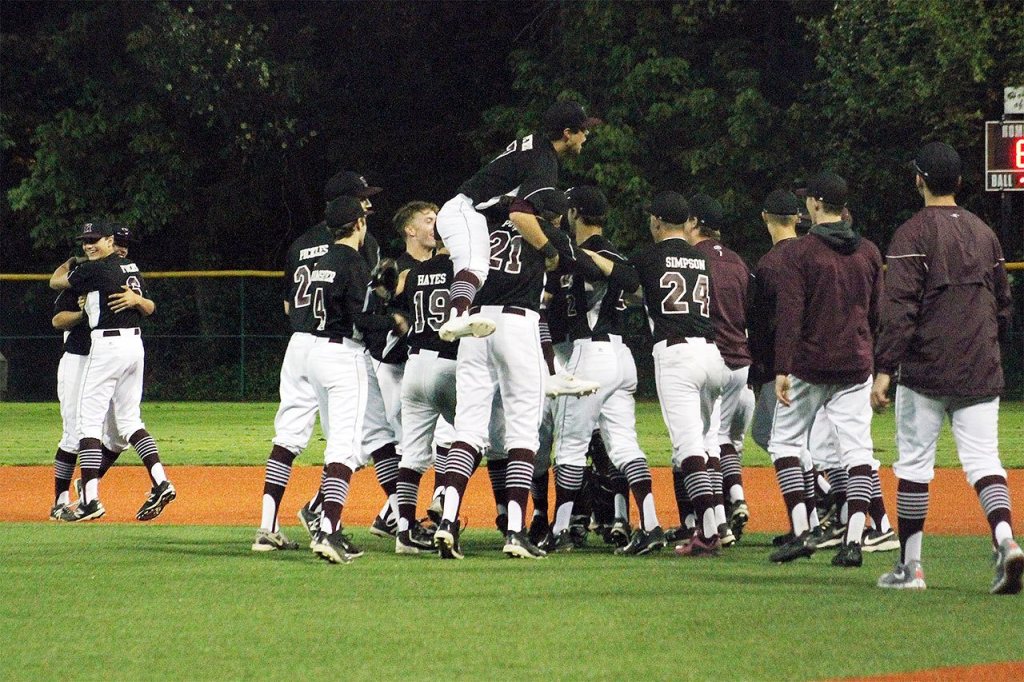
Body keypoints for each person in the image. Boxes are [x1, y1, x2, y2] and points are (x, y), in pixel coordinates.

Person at [872, 142, 1021, 594]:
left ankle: (911, 568)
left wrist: (885, 369)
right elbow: (1003, 304)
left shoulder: (912, 233)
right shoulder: (984, 233)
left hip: (927, 368)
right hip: (979, 366)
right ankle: (1006, 540)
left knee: (915, 465)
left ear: (919, 180)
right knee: (984, 460)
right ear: (958, 182)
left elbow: (899, 308)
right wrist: (984, 347)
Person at [433, 187, 571, 559]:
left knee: (467, 431)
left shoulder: (482, 232)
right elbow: (570, 265)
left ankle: (448, 520)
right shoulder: (546, 234)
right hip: (519, 325)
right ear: (554, 216)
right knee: (522, 432)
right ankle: (515, 531)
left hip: (476, 326)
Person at [254, 170, 387, 552]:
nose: (368, 203)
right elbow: (366, 304)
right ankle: (329, 525)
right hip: (340, 346)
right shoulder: (359, 246)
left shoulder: (300, 244)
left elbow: (287, 305)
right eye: (362, 197)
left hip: (300, 343)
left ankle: (267, 526)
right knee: (350, 441)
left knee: (287, 436)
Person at [767, 171, 883, 567]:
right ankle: (854, 541)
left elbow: (791, 315)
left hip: (810, 365)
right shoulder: (869, 251)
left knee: (784, 444)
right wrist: (874, 359)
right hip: (855, 364)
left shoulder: (799, 252)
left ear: (816, 203)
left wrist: (781, 367)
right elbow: (876, 315)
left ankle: (802, 532)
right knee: (858, 452)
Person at [553, 185, 666, 555]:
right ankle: (650, 525)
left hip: (590, 353)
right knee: (625, 445)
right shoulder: (612, 252)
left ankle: (560, 530)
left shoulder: (588, 253)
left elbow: (628, 282)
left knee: (570, 446)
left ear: (573, 213)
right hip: (621, 357)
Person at [435, 100, 599, 342]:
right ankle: (457, 316)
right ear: (567, 133)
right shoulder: (545, 160)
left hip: (469, 211)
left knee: (477, 270)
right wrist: (550, 252)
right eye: (583, 129)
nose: (586, 135)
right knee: (474, 266)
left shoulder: (536, 145)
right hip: (465, 210)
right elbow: (520, 214)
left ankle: (458, 316)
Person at [304, 196, 408, 563]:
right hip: (344, 356)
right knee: (344, 449)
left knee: (343, 442)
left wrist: (375, 295)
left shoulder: (323, 262)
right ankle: (328, 531)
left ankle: (325, 524)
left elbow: (344, 305)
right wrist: (394, 320)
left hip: (317, 352)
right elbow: (362, 321)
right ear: (359, 224)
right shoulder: (354, 262)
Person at [49, 221, 172, 522]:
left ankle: (90, 500)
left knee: (89, 426)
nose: (89, 245)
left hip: (107, 348)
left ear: (109, 241)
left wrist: (136, 300)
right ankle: (161, 482)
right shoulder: (129, 268)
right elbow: (58, 314)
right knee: (127, 422)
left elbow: (57, 282)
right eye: (85, 241)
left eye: (95, 240)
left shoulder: (95, 269)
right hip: (127, 347)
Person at [627, 191, 726, 557]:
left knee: (688, 447)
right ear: (685, 223)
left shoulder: (649, 256)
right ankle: (715, 524)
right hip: (712, 353)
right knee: (705, 444)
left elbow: (625, 281)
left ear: (656, 221)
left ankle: (708, 533)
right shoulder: (700, 258)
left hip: (677, 355)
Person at [682, 193, 754, 544]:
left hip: (713, 356)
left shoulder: (692, 258)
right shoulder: (738, 261)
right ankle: (734, 499)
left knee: (706, 442)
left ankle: (718, 523)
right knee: (724, 439)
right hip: (742, 362)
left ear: (695, 222)